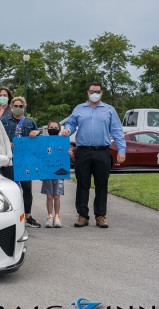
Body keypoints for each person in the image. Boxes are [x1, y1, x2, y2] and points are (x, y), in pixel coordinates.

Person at [62, 81, 126, 228]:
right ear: (88, 92)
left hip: (102, 152)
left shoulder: (109, 110)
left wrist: (121, 150)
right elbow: (71, 124)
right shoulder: (79, 109)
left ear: (102, 93)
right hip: (83, 152)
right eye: (92, 91)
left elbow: (117, 131)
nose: (94, 94)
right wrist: (67, 129)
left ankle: (101, 216)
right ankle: (82, 216)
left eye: (97, 91)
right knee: (82, 185)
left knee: (101, 185)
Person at [1, 96, 42, 228]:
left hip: (25, 159)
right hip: (9, 158)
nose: (18, 108)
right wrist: (7, 143)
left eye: (21, 106)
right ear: (11, 107)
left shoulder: (30, 121)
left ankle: (28, 216)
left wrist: (36, 132)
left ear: (24, 108)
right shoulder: (4, 120)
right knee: (11, 188)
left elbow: (39, 136)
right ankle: (11, 217)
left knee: (27, 188)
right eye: (16, 106)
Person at [41, 120, 64, 228]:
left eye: (56, 127)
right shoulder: (43, 142)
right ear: (48, 129)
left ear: (59, 129)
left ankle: (57, 217)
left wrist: (68, 153)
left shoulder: (62, 141)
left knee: (57, 196)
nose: (53, 129)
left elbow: (65, 154)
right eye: (51, 127)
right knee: (49, 196)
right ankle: (50, 217)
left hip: (59, 171)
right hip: (47, 171)